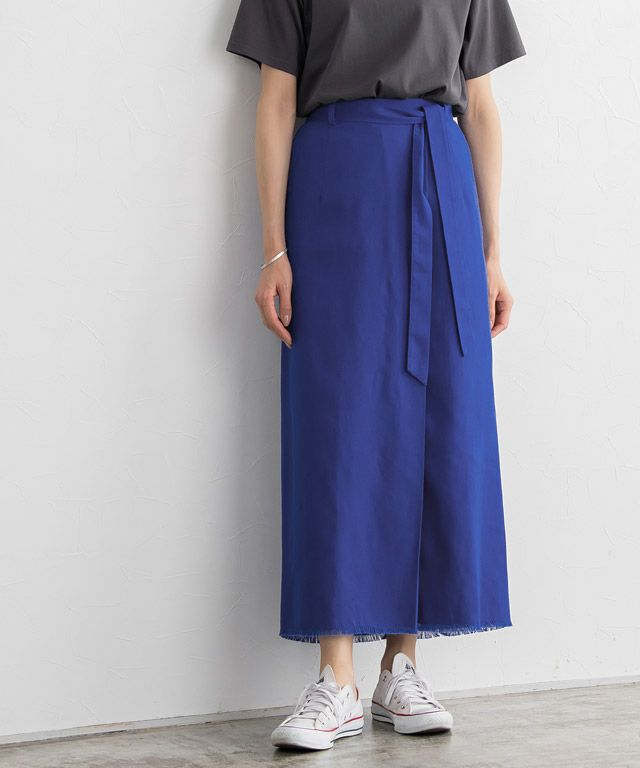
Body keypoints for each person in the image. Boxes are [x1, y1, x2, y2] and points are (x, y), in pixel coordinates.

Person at [225, 0, 526, 752]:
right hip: (336, 185)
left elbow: (482, 105)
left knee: (434, 415)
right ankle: (337, 678)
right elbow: (276, 100)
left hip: (440, 179)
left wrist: (492, 251)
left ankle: (401, 666)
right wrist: (272, 248)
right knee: (336, 420)